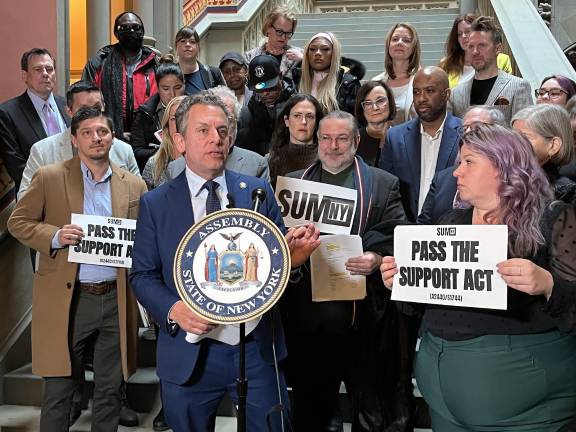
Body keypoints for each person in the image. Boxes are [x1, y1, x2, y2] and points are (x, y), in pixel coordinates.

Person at [129, 92, 320, 432]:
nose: (216, 139)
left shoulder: (257, 192)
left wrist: (292, 261)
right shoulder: (156, 204)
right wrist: (174, 310)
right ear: (180, 141)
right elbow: (142, 275)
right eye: (203, 130)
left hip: (255, 348)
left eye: (223, 130)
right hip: (189, 351)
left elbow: (272, 271)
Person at [381, 124, 576, 431]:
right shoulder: (451, 221)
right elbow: (423, 308)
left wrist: (548, 284)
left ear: (504, 165)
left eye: (468, 162)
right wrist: (402, 283)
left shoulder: (553, 219)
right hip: (443, 403)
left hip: (523, 407)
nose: (456, 172)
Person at [7, 106, 147, 432]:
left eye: (102, 131)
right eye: (87, 133)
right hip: (69, 301)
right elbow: (18, 222)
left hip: (116, 298)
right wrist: (54, 235)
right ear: (74, 139)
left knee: (110, 391)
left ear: (113, 137)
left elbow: (144, 236)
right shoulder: (50, 176)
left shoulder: (134, 185)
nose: (96, 138)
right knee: (59, 390)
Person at [283, 111, 408, 431]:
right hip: (309, 318)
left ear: (356, 141)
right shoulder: (292, 185)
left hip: (362, 317)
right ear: (317, 141)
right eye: (325, 138)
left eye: (341, 138)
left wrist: (377, 258)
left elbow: (399, 236)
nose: (333, 145)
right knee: (311, 407)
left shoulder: (383, 184)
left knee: (371, 406)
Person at [19, 80, 140, 199]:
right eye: (84, 110)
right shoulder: (42, 151)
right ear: (69, 112)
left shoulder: (124, 150)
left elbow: (138, 196)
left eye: (97, 108)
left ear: (104, 108)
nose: (92, 115)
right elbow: (25, 200)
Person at [379, 66, 461, 222]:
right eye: (416, 92)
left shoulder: (465, 135)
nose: (421, 98)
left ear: (446, 95)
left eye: (429, 91)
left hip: (451, 231)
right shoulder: (395, 137)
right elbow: (387, 191)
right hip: (405, 230)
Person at [417, 105, 506, 225]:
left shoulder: (512, 182)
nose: (468, 132)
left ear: (499, 131)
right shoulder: (442, 179)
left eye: (477, 127)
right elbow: (423, 226)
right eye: (465, 128)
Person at [0, 48, 70, 193]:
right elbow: (16, 165)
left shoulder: (68, 106)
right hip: (37, 194)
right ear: (25, 75)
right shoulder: (7, 113)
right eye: (38, 69)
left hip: (77, 191)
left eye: (49, 69)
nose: (45, 74)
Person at [165, 86, 270, 182]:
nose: (217, 136)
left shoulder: (256, 166)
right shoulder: (175, 169)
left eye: (227, 119)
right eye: (204, 129)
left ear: (237, 122)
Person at [82, 12, 158, 141]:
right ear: (116, 34)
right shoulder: (99, 63)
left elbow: (164, 104)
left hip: (148, 141)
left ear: (143, 31)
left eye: (136, 27)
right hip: (109, 140)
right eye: (125, 28)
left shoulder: (156, 64)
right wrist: (113, 132)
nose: (132, 31)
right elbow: (87, 104)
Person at [450, 16, 532, 125]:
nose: (475, 52)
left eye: (482, 45)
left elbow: (525, 133)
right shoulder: (456, 93)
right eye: (470, 46)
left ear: (498, 48)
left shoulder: (518, 87)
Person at [130, 57, 185, 172]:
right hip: (157, 172)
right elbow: (136, 151)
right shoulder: (145, 113)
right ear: (158, 88)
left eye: (178, 87)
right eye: (166, 88)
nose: (172, 94)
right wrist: (165, 151)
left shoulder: (197, 109)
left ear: (184, 85)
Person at [237, 55, 295, 156]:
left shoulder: (297, 106)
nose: (265, 94)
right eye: (259, 89)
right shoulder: (247, 113)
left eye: (270, 87)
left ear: (280, 77)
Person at [295, 31, 363, 115]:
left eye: (325, 49)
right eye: (312, 49)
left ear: (334, 54)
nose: (318, 53)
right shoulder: (295, 79)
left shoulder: (348, 83)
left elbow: (358, 121)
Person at [512, 104, 575, 194]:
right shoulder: (507, 177)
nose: (512, 143)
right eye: (513, 136)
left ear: (553, 146)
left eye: (524, 137)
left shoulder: (565, 192)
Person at [438, 13, 512, 88]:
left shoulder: (502, 60)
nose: (463, 36)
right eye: (459, 34)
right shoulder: (446, 64)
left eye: (467, 31)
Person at [267, 93, 323, 185]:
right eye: (297, 116)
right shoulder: (270, 160)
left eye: (310, 116)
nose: (304, 122)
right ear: (286, 120)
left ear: (316, 123)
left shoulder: (328, 158)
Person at [372, 23, 421, 124]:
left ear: (414, 48)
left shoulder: (423, 81)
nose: (399, 43)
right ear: (388, 45)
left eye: (406, 40)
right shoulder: (375, 83)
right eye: (395, 39)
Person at [245, 6, 303, 83]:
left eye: (288, 33)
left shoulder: (300, 55)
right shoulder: (251, 56)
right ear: (268, 27)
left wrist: (303, 60)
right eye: (279, 31)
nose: (283, 37)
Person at [142, 96, 186, 190]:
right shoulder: (154, 164)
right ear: (167, 126)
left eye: (184, 117)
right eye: (174, 118)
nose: (179, 123)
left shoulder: (203, 161)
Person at [354, 80, 397, 166]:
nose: (375, 107)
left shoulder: (402, 139)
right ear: (362, 109)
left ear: (390, 103)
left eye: (380, 101)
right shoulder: (353, 141)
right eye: (368, 103)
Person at [174, 25, 224, 95]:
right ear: (176, 47)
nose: (187, 44)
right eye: (183, 41)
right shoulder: (167, 74)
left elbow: (226, 101)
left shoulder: (214, 74)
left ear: (198, 48)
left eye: (192, 42)